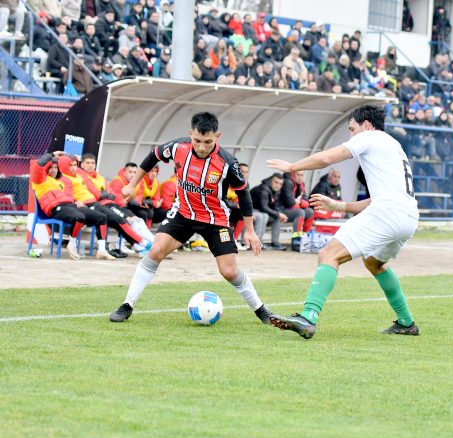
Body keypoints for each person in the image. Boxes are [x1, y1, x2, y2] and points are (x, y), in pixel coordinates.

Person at [266, 104, 419, 339]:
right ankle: (406, 323)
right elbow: (379, 199)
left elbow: (327, 158)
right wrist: (338, 206)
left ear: (366, 125)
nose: (351, 135)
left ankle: (308, 316)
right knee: (374, 264)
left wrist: (292, 167)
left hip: (389, 213)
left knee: (329, 254)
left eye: (352, 129)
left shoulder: (370, 137)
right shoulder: (394, 146)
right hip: (409, 216)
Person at [109, 112, 273, 324]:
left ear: (218, 136)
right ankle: (127, 305)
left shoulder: (228, 163)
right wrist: (132, 184)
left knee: (229, 272)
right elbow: (153, 157)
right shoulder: (178, 148)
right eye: (197, 140)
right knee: (156, 251)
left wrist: (250, 230)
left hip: (216, 219)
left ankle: (262, 311)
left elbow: (243, 193)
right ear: (190, 134)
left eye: (208, 142)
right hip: (183, 213)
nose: (202, 147)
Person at [30, 151, 110, 260]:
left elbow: (69, 196)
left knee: (101, 217)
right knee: (79, 217)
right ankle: (71, 244)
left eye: (55, 167)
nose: (54, 170)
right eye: (51, 167)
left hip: (70, 206)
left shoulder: (60, 182)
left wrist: (76, 201)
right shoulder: (40, 179)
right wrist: (53, 154)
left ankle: (102, 251)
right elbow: (39, 165)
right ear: (46, 169)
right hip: (55, 208)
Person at [250, 172, 288, 250]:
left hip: (260, 211)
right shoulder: (264, 189)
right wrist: (278, 214)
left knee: (276, 217)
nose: (278, 185)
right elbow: (263, 207)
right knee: (264, 215)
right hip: (250, 210)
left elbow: (275, 206)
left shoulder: (276, 190)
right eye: (276, 182)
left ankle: (275, 242)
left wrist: (278, 214)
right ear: (271, 180)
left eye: (280, 184)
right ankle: (256, 243)